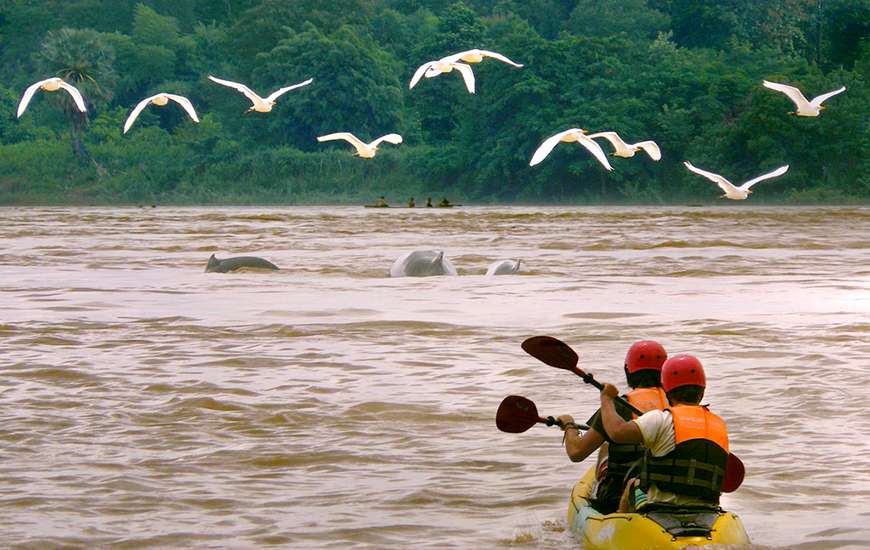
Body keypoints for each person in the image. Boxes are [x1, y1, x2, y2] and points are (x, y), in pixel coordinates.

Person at [599, 354, 729, 511]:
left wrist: (606, 398)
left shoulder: (661, 419)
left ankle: (619, 520)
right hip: (707, 509)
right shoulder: (719, 425)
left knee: (632, 483)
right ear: (702, 392)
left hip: (661, 508)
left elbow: (616, 432)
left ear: (667, 392)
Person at [557, 341, 668, 514]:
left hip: (619, 495)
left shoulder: (618, 406)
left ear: (628, 371)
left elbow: (577, 452)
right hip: (668, 490)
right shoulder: (679, 406)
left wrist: (569, 425)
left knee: (605, 446)